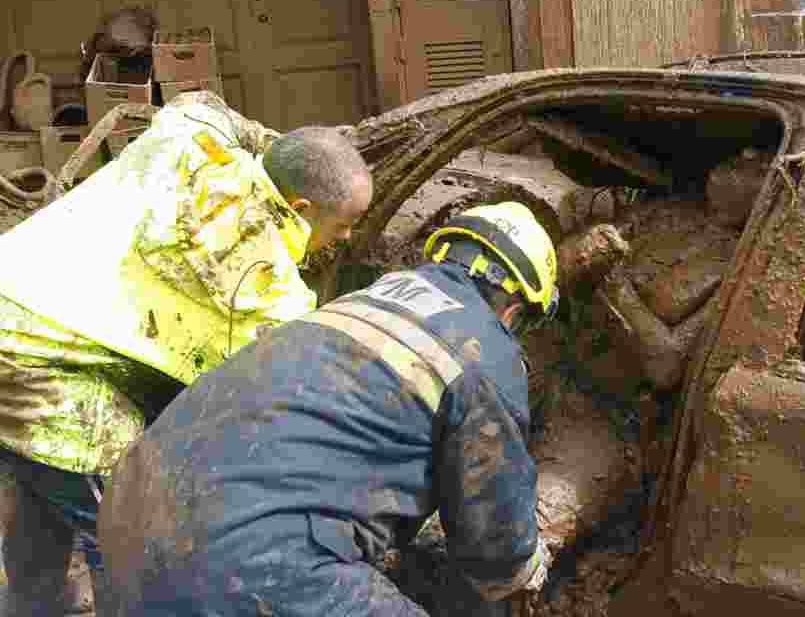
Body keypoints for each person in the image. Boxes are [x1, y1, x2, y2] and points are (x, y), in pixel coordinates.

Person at [0, 90, 372, 617]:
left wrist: (274, 147)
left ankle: (32, 606)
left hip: (13, 297)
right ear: (301, 209)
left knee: (43, 482)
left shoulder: (194, 135)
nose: (347, 236)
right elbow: (272, 394)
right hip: (36, 361)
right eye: (342, 225)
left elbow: (198, 100)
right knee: (131, 535)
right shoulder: (261, 282)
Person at [98, 201, 559, 617]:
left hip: (129, 516)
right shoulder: (484, 352)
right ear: (515, 308)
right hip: (248, 563)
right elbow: (494, 541)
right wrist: (526, 570)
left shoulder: (358, 303)